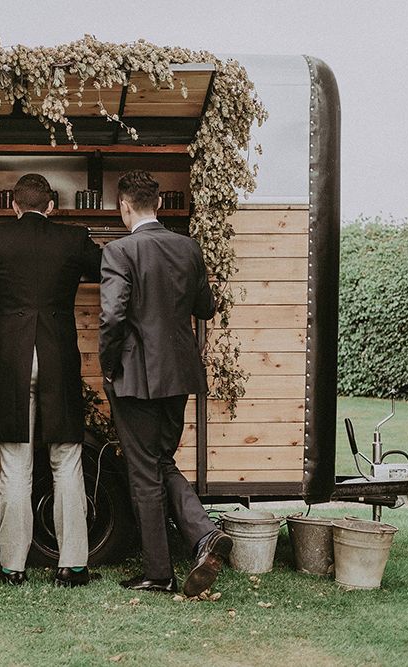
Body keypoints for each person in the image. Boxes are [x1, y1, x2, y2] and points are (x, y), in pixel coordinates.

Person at [0, 174, 102, 587]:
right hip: (57, 357)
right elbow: (108, 270)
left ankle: (13, 566)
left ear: (13, 204)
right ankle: (73, 564)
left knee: (15, 463)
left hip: (13, 359)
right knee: (66, 460)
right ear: (51, 206)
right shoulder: (73, 237)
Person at [99, 170, 232, 596]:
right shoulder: (188, 248)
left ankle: (159, 572)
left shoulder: (118, 251)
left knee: (144, 472)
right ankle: (203, 534)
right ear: (157, 205)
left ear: (124, 206)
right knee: (160, 463)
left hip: (135, 376)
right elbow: (207, 309)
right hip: (179, 374)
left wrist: (107, 366)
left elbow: (113, 317)